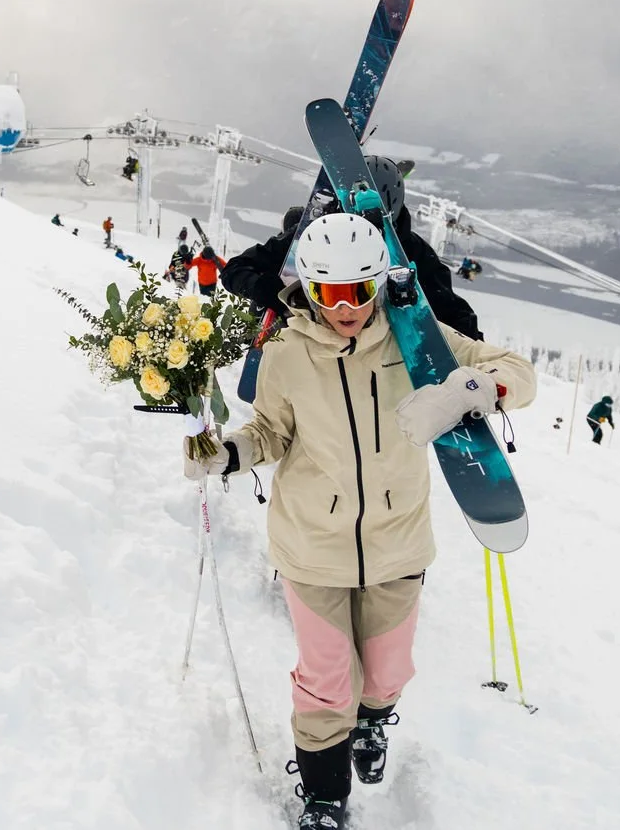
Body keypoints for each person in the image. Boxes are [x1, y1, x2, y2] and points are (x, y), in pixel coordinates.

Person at [188, 213, 535, 828]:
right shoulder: (286, 353)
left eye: (358, 291)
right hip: (311, 545)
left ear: (378, 282)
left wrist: (468, 390)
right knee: (327, 681)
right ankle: (324, 799)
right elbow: (270, 431)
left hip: (398, 541)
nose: (344, 308)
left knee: (386, 673)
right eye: (328, 293)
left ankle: (373, 722)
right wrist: (227, 454)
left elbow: (518, 370)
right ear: (308, 289)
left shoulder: (417, 338)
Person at [223, 156, 481, 346]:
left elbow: (449, 309)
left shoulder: (413, 251)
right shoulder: (316, 236)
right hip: (316, 351)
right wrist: (264, 289)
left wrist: (474, 351)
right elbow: (235, 269)